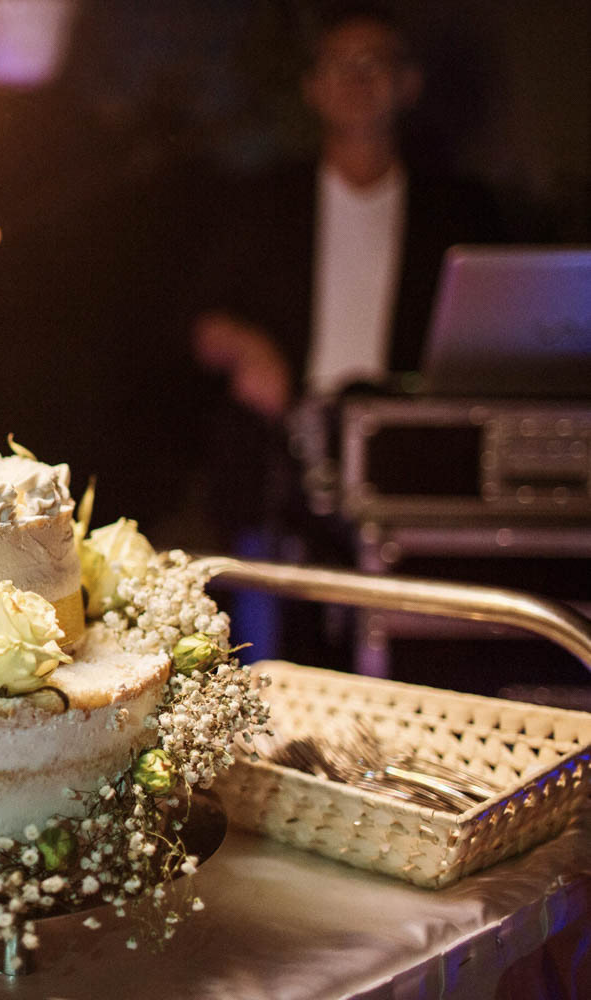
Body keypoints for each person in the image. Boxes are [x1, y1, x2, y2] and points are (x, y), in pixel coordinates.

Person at [187, 3, 504, 664]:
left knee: (406, 638)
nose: (357, 79)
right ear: (313, 86)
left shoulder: (457, 209)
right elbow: (198, 321)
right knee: (268, 641)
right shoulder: (267, 201)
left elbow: (494, 327)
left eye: (375, 63)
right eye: (340, 65)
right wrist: (248, 348)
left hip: (409, 461)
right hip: (284, 455)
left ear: (408, 83)